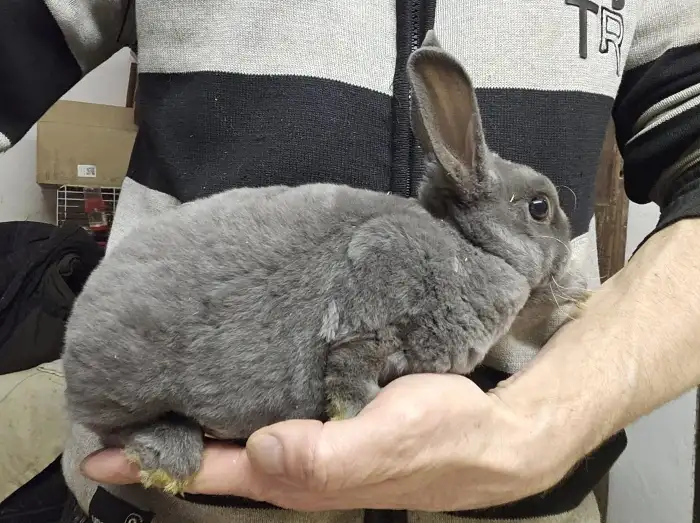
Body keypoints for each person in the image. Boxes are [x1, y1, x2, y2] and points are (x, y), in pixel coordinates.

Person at [2, 1, 699, 522]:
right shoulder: (420, 243)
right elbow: (362, 311)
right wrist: (351, 394)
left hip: (531, 497)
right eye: (542, 212)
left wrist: (546, 424)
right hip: (165, 497)